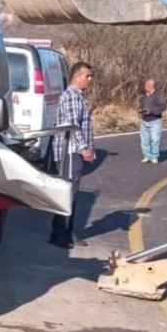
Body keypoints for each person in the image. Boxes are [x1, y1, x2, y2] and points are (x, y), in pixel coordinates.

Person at [49, 61, 95, 249]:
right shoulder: (71, 96)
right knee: (67, 193)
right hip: (69, 151)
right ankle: (59, 233)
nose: (89, 80)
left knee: (72, 193)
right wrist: (84, 148)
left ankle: (69, 232)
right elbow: (72, 126)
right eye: (87, 76)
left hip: (74, 151)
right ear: (76, 77)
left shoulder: (78, 96)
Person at [139, 79, 167, 164]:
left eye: (145, 85)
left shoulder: (159, 96)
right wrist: (141, 111)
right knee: (144, 140)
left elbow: (163, 107)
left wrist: (151, 111)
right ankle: (147, 156)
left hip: (155, 120)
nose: (144, 87)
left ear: (150, 86)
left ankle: (154, 156)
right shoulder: (143, 97)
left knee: (154, 140)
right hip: (144, 120)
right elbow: (141, 106)